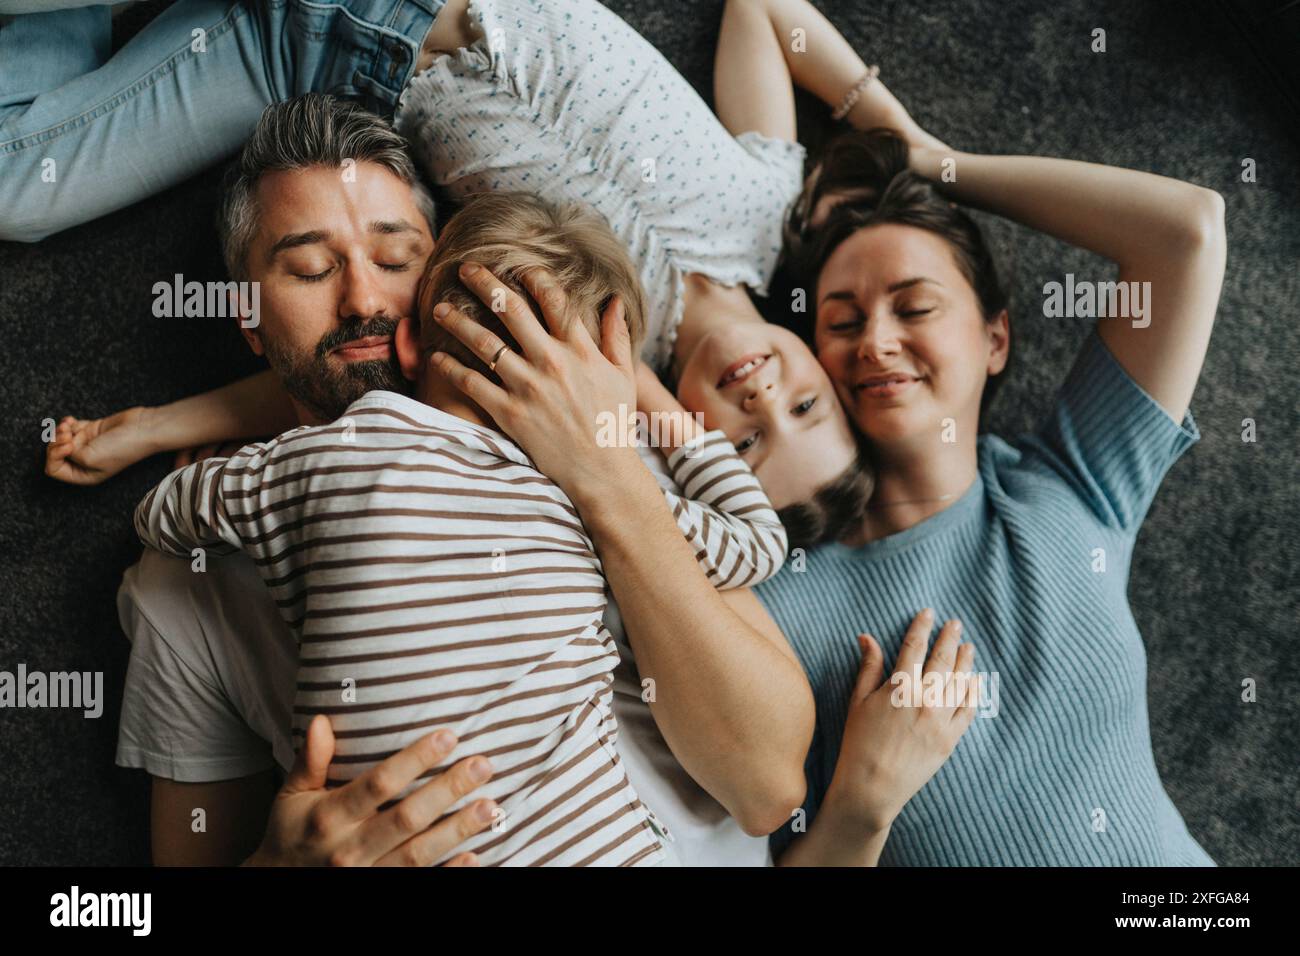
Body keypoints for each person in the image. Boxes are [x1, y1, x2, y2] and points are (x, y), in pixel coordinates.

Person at [132, 189, 797, 866]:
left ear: (413, 335)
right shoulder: (573, 474)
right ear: (248, 318)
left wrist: (206, 470)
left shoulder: (600, 464)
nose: (363, 300)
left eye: (397, 259)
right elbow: (759, 542)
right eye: (309, 269)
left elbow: (771, 789)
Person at [737, 128, 1226, 865]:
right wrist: (863, 805)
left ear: (996, 338)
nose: (875, 340)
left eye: (915, 307)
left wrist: (936, 163)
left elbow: (1185, 234)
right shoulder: (773, 600)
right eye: (841, 322)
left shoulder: (1071, 482)